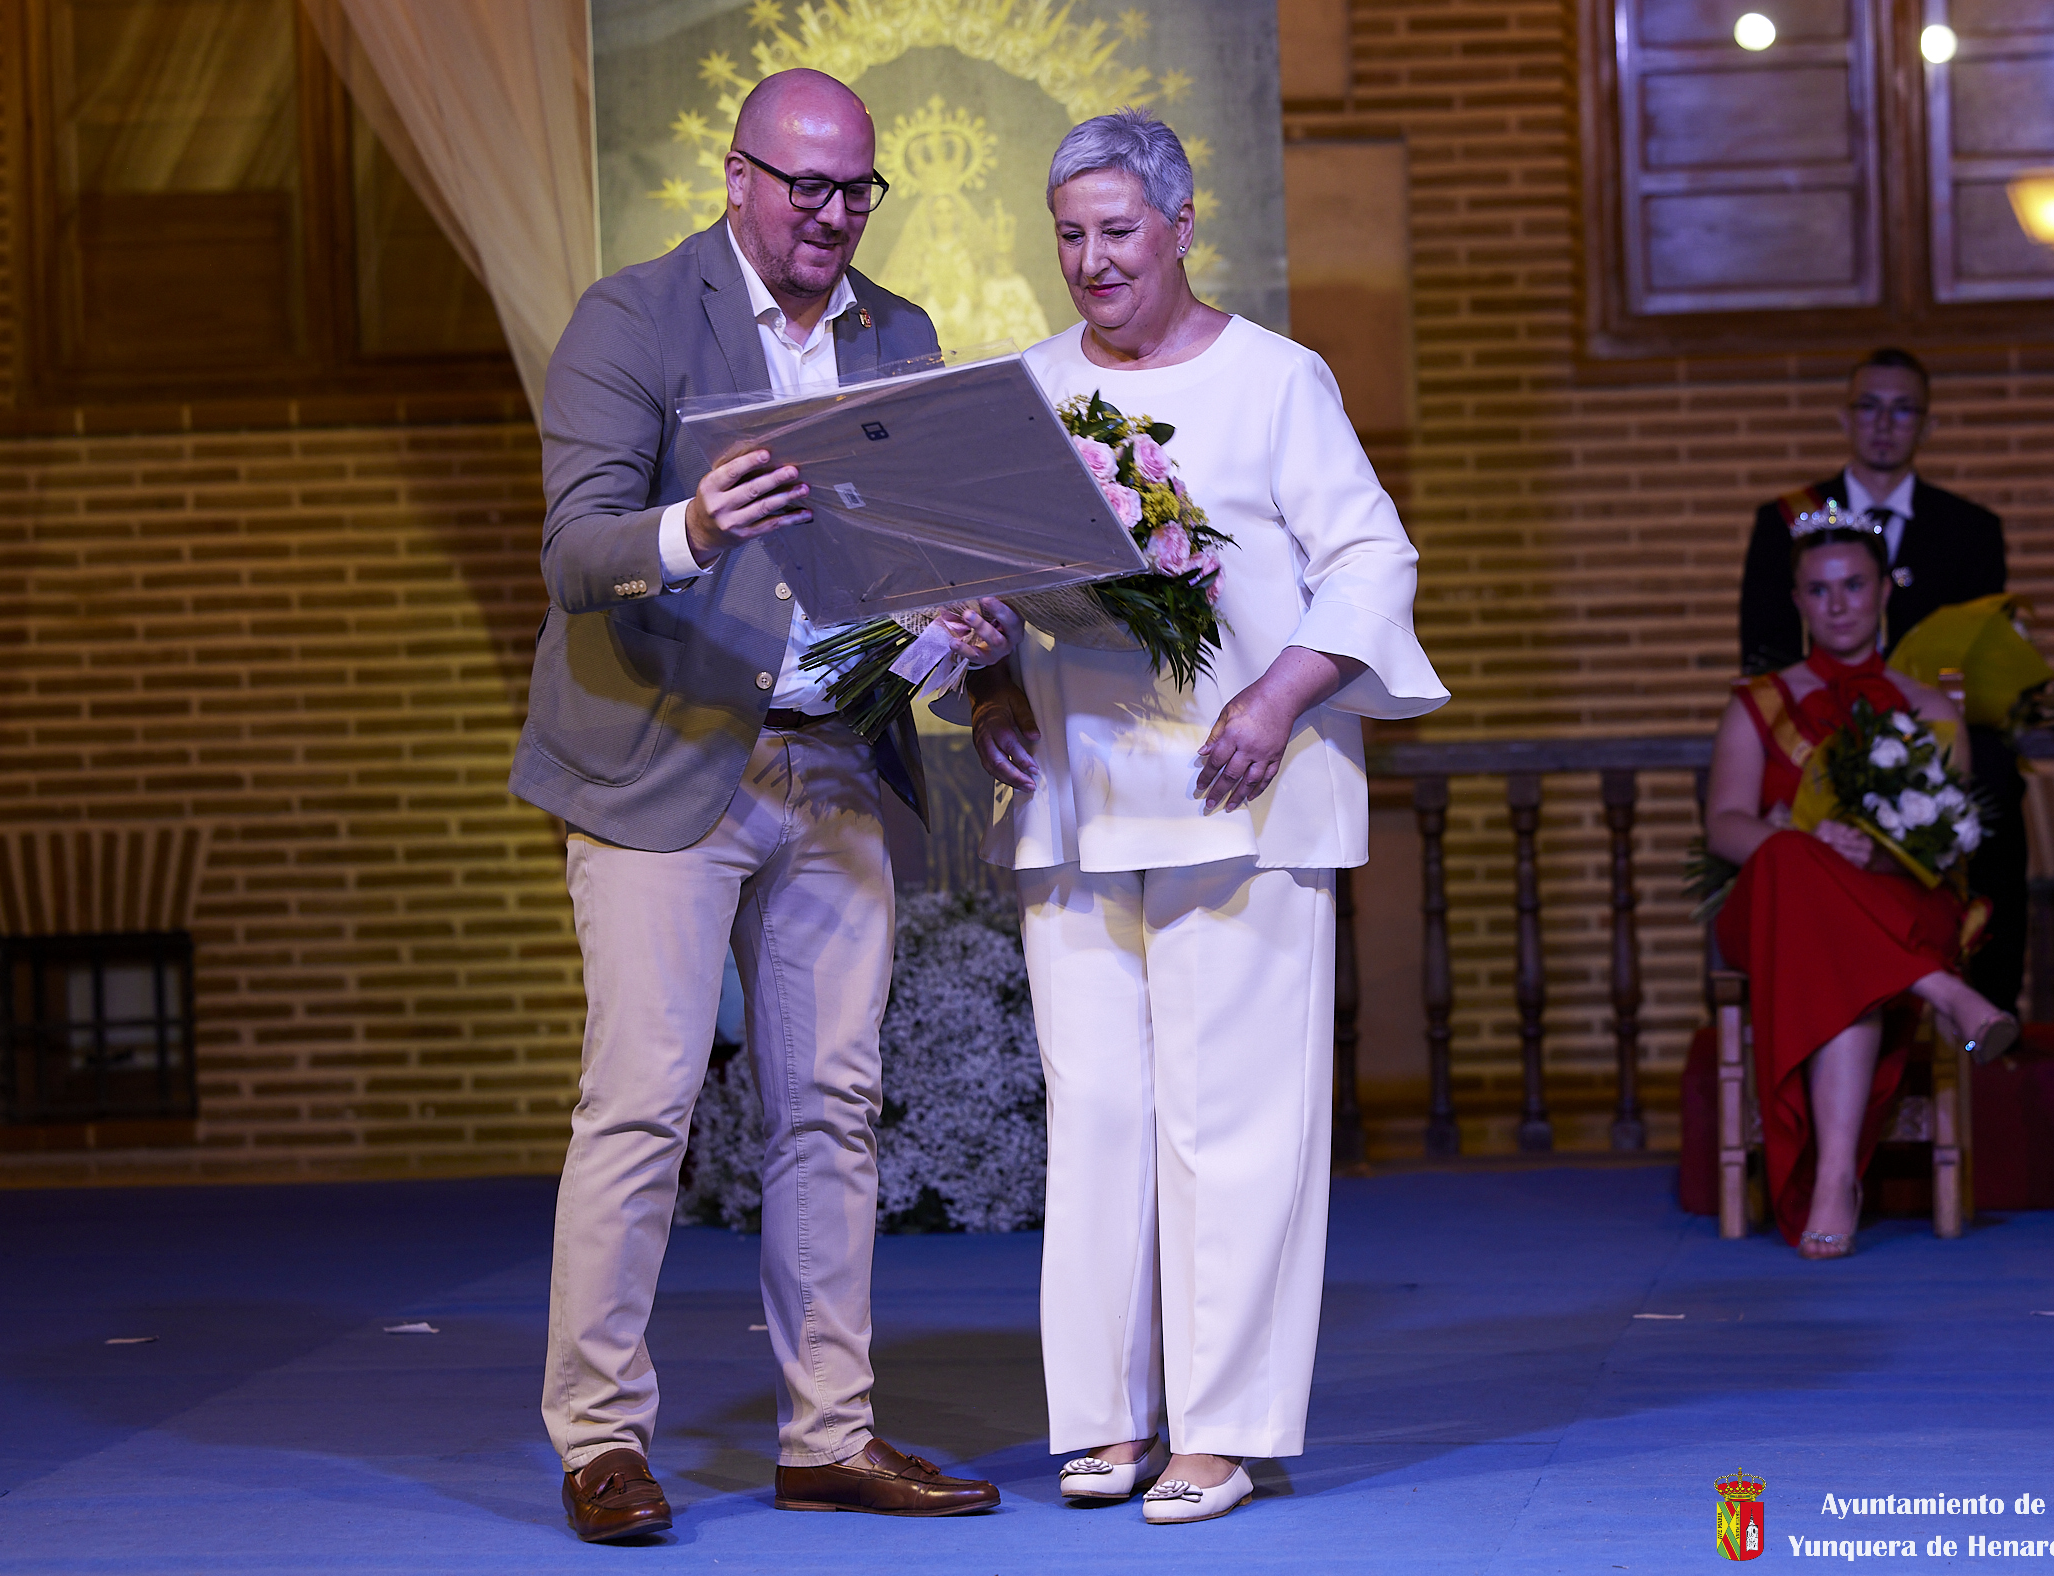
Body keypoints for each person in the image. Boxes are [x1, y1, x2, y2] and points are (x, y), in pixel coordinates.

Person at [512, 68, 1005, 1543]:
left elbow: (915, 551)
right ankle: (600, 1439)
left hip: (830, 757)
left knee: (832, 1108)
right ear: (737, 177)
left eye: (857, 189)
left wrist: (964, 632)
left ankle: (827, 1435)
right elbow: (572, 551)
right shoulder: (633, 318)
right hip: (659, 753)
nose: (834, 215)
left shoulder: (898, 334)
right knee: (644, 1101)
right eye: (807, 187)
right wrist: (692, 524)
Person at [963, 110, 1447, 1526]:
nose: (1092, 259)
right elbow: (982, 581)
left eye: (1117, 230)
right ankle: (1105, 1416)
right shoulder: (1028, 388)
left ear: (1181, 225)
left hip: (1243, 796)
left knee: (1231, 1124)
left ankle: (1221, 1428)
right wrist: (989, 683)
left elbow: (1370, 562)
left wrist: (1277, 698)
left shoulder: (1276, 379)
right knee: (1098, 1116)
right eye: (1069, 234)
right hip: (1079, 797)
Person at [1707, 511, 2016, 1260]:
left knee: (1836, 948)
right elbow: (1724, 826)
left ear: (1884, 590)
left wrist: (1878, 853)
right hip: (1780, 908)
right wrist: (1807, 842)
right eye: (1819, 590)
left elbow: (1952, 840)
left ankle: (1835, 1179)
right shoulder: (1757, 703)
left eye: (1853, 585)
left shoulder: (1930, 708)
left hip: (1894, 900)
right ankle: (1945, 994)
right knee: (1788, 861)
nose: (1838, 603)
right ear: (1797, 600)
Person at [1738, 348, 2025, 1016]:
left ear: (1926, 424)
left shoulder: (1970, 529)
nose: (1884, 424)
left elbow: (1980, 651)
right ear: (1845, 417)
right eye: (1868, 407)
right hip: (1820, 718)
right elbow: (1763, 651)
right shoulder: (1784, 521)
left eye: (1902, 410)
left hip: (1924, 723)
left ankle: (1991, 1001)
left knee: (1994, 778)